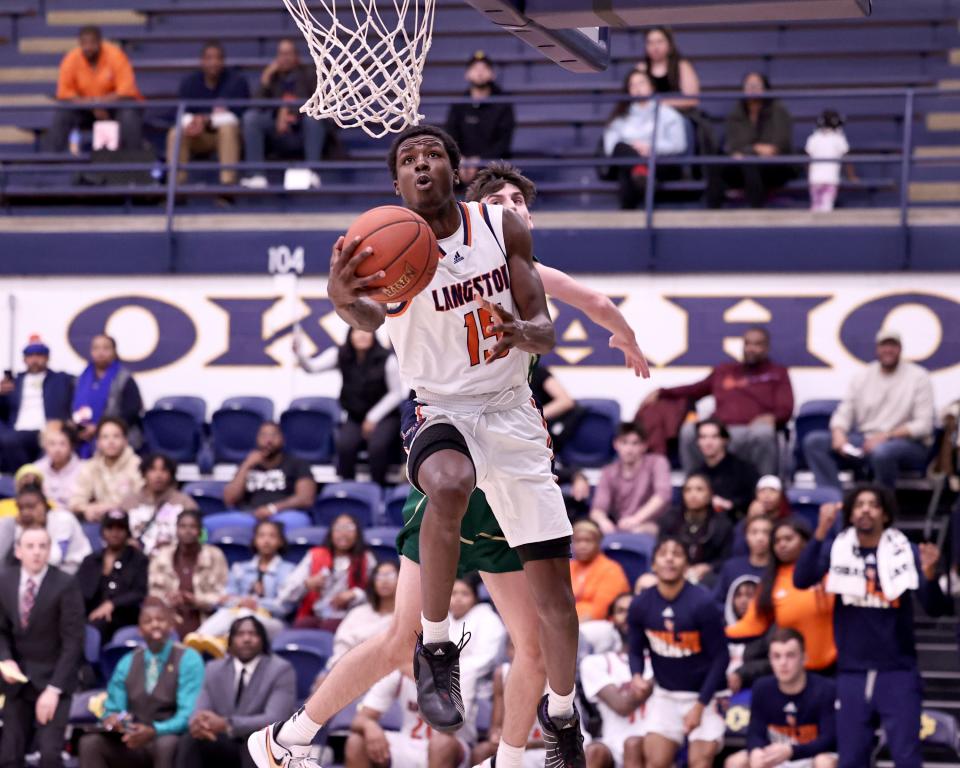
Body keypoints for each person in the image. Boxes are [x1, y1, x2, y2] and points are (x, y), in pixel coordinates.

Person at [247, 156, 652, 768]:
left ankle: (511, 761)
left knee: (539, 643)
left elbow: (590, 301)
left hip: (508, 457)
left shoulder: (524, 268)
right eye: (505, 199)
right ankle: (291, 737)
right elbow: (371, 312)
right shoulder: (420, 259)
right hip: (452, 455)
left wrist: (624, 334)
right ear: (480, 205)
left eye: (523, 201)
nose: (516, 209)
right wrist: (342, 297)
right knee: (401, 636)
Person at [329, 124, 584, 752]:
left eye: (434, 155)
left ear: (456, 169)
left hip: (511, 409)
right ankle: (437, 646)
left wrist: (525, 333)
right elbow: (367, 314)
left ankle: (563, 715)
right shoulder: (380, 246)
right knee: (448, 482)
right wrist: (341, 299)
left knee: (554, 594)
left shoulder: (503, 228)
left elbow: (544, 327)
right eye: (409, 159)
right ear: (396, 182)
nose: (423, 165)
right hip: (438, 407)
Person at [794, 484, 947, 768]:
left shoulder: (906, 551)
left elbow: (936, 609)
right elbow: (801, 580)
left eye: (873, 504)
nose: (865, 509)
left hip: (897, 671)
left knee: (906, 758)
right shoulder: (837, 549)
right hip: (852, 671)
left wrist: (929, 576)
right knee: (851, 760)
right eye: (859, 504)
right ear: (850, 514)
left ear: (885, 514)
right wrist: (819, 532)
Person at [627, 536, 729, 768]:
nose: (670, 559)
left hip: (706, 695)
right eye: (664, 553)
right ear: (653, 564)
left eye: (677, 554)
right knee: (655, 761)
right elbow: (635, 649)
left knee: (699, 762)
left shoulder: (703, 602)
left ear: (686, 565)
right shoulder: (640, 604)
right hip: (666, 695)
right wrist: (636, 675)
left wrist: (700, 705)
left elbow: (721, 657)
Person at [645, 327, 793, 476]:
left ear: (766, 347)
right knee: (689, 431)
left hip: (750, 430)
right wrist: (662, 392)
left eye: (757, 344)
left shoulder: (777, 373)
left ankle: (764, 488)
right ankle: (694, 483)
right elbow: (695, 389)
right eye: (747, 343)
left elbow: (786, 408)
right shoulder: (725, 371)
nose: (751, 348)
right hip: (719, 429)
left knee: (764, 432)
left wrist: (773, 417)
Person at [802, 328, 934, 490]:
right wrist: (839, 433)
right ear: (877, 349)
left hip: (906, 444)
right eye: (884, 345)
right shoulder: (863, 376)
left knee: (883, 452)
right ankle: (835, 501)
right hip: (864, 439)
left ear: (900, 349)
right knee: (815, 442)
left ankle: (881, 506)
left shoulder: (918, 377)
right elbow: (845, 411)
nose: (888, 350)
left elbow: (923, 425)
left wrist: (886, 436)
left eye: (893, 345)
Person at [78, 599, 204, 768]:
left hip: (170, 736)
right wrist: (114, 720)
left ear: (171, 625)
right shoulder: (127, 661)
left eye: (160, 620)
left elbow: (187, 715)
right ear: (140, 630)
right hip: (135, 736)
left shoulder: (188, 658)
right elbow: (114, 707)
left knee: (166, 745)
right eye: (148, 621)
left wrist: (155, 731)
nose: (155, 625)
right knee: (90, 743)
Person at [0, 525, 85, 768]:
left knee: (49, 756)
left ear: (49, 551)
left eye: (42, 546)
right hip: (17, 683)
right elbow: (1, 630)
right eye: (30, 546)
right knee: (8, 756)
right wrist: (5, 659)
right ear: (18, 551)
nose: (36, 552)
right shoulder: (5, 580)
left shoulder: (65, 584)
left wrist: (54, 689)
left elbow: (73, 642)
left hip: (53, 680)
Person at [727, 519, 836, 690]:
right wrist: (717, 633)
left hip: (834, 669)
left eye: (788, 539)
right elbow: (752, 625)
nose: (782, 545)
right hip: (794, 673)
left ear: (804, 541)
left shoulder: (827, 573)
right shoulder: (771, 581)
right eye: (777, 541)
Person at [176, 616, 297, 768]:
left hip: (259, 742)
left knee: (253, 748)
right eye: (240, 634)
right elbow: (200, 708)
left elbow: (275, 718)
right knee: (190, 740)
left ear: (263, 640)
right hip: (224, 741)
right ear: (230, 641)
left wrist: (227, 724)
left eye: (253, 634)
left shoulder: (280, 669)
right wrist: (199, 723)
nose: (246, 639)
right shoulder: (214, 669)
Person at [295, 328, 404, 486]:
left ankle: (377, 489)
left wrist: (373, 417)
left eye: (366, 331)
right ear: (349, 335)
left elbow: (396, 394)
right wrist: (299, 353)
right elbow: (312, 368)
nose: (361, 335)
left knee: (377, 446)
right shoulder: (340, 354)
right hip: (355, 416)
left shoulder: (387, 359)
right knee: (345, 444)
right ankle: (347, 488)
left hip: (386, 417)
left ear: (373, 335)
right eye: (356, 332)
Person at [724, 628, 838, 768]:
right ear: (770, 660)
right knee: (735, 762)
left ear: (804, 658)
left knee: (825, 762)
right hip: (775, 756)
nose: (783, 663)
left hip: (810, 756)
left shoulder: (825, 689)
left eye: (790, 655)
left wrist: (792, 751)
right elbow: (755, 733)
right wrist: (756, 751)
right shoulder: (762, 687)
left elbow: (829, 739)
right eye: (777, 656)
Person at [187, 519, 295, 654]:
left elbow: (284, 607)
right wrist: (240, 602)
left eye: (272, 536)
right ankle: (198, 639)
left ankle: (223, 642)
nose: (266, 540)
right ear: (255, 540)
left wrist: (256, 604)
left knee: (244, 615)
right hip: (237, 613)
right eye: (261, 536)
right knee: (228, 613)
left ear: (280, 541)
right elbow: (226, 599)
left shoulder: (289, 570)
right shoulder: (240, 568)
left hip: (273, 622)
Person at [346, 661, 471, 768]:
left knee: (441, 744)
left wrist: (421, 677)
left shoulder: (462, 669)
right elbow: (360, 719)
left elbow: (452, 724)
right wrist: (370, 727)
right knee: (357, 742)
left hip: (452, 745)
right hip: (408, 741)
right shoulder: (399, 671)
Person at [242, 38, 330, 190]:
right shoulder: (273, 77)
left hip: (302, 129)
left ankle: (312, 171)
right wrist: (265, 79)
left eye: (289, 53)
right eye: (282, 54)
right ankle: (257, 176)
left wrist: (290, 112)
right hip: (277, 131)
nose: (285, 58)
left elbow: (318, 104)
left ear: (296, 56)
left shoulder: (310, 74)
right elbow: (256, 105)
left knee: (313, 120)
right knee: (251, 119)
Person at [47, 25, 143, 153]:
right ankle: (52, 160)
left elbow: (125, 91)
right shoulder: (71, 59)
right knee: (63, 112)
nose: (88, 48)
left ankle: (133, 160)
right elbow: (65, 94)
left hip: (114, 107)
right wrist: (94, 104)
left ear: (100, 42)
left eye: (92, 43)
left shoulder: (115, 56)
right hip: (86, 109)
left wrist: (100, 103)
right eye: (84, 44)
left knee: (129, 112)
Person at [602, 69, 688, 210]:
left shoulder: (668, 114)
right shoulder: (619, 117)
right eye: (632, 85)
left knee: (627, 172)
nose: (637, 88)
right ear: (628, 90)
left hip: (659, 161)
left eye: (641, 83)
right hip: (631, 160)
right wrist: (634, 150)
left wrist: (650, 148)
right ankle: (639, 169)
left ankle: (627, 216)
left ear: (651, 86)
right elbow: (611, 148)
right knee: (622, 153)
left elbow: (679, 144)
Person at [707, 72, 794, 209]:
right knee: (717, 164)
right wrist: (755, 149)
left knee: (750, 162)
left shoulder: (778, 109)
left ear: (765, 88)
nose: (752, 88)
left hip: (774, 166)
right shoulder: (736, 112)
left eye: (757, 85)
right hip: (743, 166)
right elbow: (734, 146)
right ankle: (711, 213)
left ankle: (756, 211)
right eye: (749, 85)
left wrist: (749, 150)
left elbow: (778, 145)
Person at [167, 41, 249, 187]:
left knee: (228, 129)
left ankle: (227, 186)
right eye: (209, 58)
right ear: (202, 61)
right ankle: (176, 187)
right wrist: (191, 123)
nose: (213, 62)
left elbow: (236, 117)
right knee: (176, 133)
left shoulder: (236, 82)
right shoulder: (190, 82)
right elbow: (182, 113)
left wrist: (206, 120)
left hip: (225, 136)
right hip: (198, 136)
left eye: (217, 58)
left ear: (223, 61)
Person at [579, 592, 647, 768]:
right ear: (612, 620)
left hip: (653, 741)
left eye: (634, 610)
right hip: (612, 743)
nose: (628, 616)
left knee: (633, 745)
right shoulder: (596, 663)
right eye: (621, 611)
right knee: (593, 751)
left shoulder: (662, 659)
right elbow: (622, 706)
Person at [278, 512, 377, 629]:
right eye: (339, 528)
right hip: (316, 613)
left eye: (349, 528)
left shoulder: (366, 558)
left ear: (357, 534)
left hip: (351, 617)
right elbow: (285, 594)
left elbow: (378, 594)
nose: (343, 533)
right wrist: (306, 584)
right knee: (302, 625)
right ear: (331, 533)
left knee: (330, 625)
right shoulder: (314, 555)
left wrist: (355, 594)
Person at [148, 510, 229, 636]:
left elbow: (224, 596)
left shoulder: (215, 556)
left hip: (206, 623)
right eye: (183, 526)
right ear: (176, 529)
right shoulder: (162, 556)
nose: (187, 531)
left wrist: (196, 600)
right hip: (168, 621)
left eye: (192, 527)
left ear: (200, 531)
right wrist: (168, 600)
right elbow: (152, 594)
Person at [0, 335, 74, 472]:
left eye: (39, 355)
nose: (35, 360)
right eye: (30, 356)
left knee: (56, 444)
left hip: (49, 430)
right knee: (7, 441)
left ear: (47, 358)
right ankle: (22, 479)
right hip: (17, 431)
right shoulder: (13, 383)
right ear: (24, 359)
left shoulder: (61, 380)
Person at [77, 508, 149, 643]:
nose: (115, 533)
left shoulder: (138, 559)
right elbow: (79, 591)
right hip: (89, 615)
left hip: (124, 617)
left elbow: (139, 592)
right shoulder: (91, 560)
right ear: (103, 531)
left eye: (120, 528)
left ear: (127, 532)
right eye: (110, 528)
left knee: (96, 628)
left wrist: (112, 604)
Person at [444, 51, 515, 186]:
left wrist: (480, 162)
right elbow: (450, 136)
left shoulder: (503, 104)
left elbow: (503, 142)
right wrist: (461, 160)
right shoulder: (458, 104)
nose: (480, 72)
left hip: (492, 167)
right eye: (475, 68)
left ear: (492, 74)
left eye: (484, 68)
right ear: (467, 74)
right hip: (461, 167)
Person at [222, 421, 316, 519]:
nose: (268, 440)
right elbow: (229, 499)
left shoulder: (297, 463)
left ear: (283, 439)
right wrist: (246, 466)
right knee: (209, 524)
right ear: (257, 439)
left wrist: (273, 508)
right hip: (249, 514)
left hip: (285, 513)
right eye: (264, 435)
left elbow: (306, 498)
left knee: (297, 520)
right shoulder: (246, 464)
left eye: (273, 435)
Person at [590, 423, 671, 535]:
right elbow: (597, 508)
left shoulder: (657, 462)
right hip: (621, 525)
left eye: (635, 443)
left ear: (644, 445)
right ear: (616, 444)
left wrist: (636, 519)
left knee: (644, 530)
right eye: (624, 442)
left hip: (653, 525)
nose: (629, 449)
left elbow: (663, 495)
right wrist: (603, 522)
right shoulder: (608, 471)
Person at [72, 334, 144, 456]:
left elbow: (132, 410)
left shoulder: (124, 378)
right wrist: (80, 429)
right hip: (84, 437)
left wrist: (100, 428)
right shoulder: (80, 379)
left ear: (114, 352)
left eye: (106, 348)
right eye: (96, 348)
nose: (101, 352)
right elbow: (74, 409)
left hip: (117, 436)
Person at [658, 473, 733, 584]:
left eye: (699, 489)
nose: (693, 494)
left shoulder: (722, 524)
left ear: (710, 494)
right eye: (688, 490)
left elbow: (726, 558)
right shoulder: (670, 519)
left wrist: (708, 567)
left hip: (708, 577)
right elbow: (660, 550)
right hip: (673, 570)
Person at [0, 483, 92, 574]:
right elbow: (21, 556)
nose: (25, 512)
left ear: (44, 505)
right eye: (21, 508)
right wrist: (25, 530)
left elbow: (55, 560)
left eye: (31, 507)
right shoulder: (23, 524)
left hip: (77, 568)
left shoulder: (63, 519)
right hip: (45, 572)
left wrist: (35, 528)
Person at [327, 559, 399, 668]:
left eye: (390, 576)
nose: (384, 581)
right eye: (379, 576)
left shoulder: (405, 618)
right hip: (346, 668)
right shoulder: (358, 612)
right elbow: (342, 645)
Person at [124, 453, 200, 555]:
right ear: (144, 473)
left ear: (171, 474)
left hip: (173, 560)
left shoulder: (185, 503)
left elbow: (201, 535)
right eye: (152, 470)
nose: (158, 475)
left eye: (164, 470)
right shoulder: (129, 503)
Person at [70, 417, 143, 522]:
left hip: (130, 521)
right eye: (105, 437)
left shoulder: (137, 465)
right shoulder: (90, 466)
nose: (110, 441)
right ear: (98, 443)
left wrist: (112, 507)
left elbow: (143, 499)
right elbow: (75, 501)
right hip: (99, 522)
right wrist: (88, 508)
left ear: (125, 441)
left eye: (116, 436)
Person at [690, 419, 760, 520]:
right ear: (698, 442)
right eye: (703, 437)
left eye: (714, 437)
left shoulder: (744, 469)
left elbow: (755, 499)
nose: (708, 442)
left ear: (724, 440)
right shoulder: (696, 474)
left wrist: (731, 505)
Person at [713, 514, 771, 625]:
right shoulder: (731, 567)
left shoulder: (778, 569)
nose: (760, 538)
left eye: (766, 533)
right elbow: (717, 602)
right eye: (754, 532)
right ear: (746, 536)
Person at [570, 519, 631, 621]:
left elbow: (601, 611)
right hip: (568, 622)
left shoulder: (611, 570)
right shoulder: (569, 567)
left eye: (588, 540)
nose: (582, 546)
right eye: (578, 541)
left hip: (599, 624)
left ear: (598, 543)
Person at [637, 27, 701, 110]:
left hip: (680, 115)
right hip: (649, 117)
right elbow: (636, 99)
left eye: (659, 42)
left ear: (669, 44)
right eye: (650, 43)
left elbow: (692, 100)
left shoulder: (682, 66)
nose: (655, 47)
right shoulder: (641, 68)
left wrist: (661, 103)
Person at [528, 363, 581, 455]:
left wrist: (532, 416)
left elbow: (565, 401)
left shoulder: (537, 371)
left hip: (543, 429)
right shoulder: (505, 378)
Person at [805, 109, 849, 212]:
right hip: (830, 179)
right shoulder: (839, 138)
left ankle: (815, 227)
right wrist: (852, 176)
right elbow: (847, 159)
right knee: (826, 207)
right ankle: (820, 227)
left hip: (815, 179)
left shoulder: (813, 138)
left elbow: (807, 159)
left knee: (816, 206)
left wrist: (809, 173)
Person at [34, 420, 84, 510]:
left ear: (72, 446)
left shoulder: (84, 469)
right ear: (44, 446)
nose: (57, 449)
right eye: (52, 444)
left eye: (62, 444)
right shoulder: (36, 469)